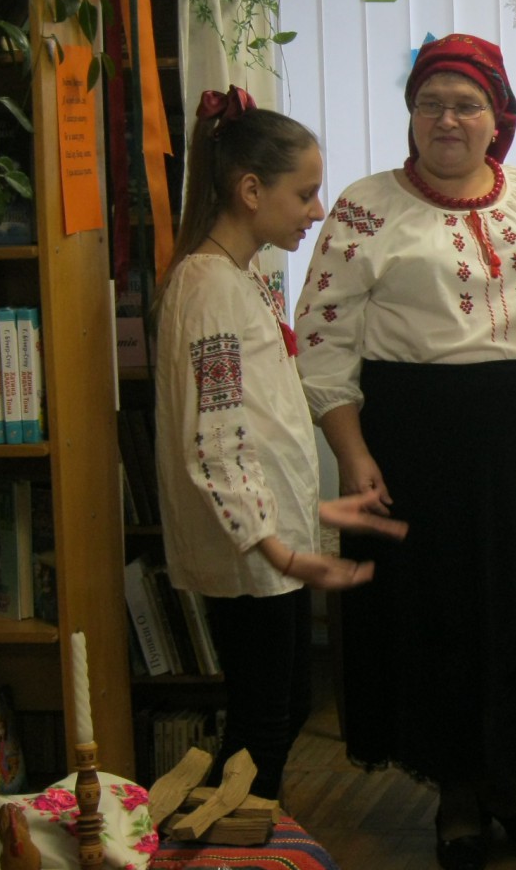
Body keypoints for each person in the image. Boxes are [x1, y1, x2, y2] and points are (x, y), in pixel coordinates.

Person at [293, 33, 516, 870]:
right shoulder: (364, 209)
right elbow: (322, 342)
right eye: (430, 103)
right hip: (415, 433)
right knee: (436, 614)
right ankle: (457, 794)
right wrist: (351, 452)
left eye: (466, 104)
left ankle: (506, 780)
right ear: (411, 115)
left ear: (498, 117)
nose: (447, 119)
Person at [155, 85, 407, 802]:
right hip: (252, 557)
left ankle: (248, 843)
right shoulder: (208, 288)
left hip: (271, 545)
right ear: (249, 190)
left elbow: (263, 425)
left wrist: (312, 518)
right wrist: (280, 549)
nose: (317, 211)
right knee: (265, 718)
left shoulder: (240, 279)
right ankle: (235, 853)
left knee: (284, 707)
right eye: (304, 194)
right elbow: (215, 441)